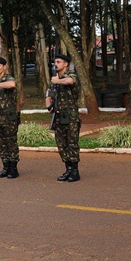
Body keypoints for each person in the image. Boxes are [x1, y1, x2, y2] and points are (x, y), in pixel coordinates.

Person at [45, 54, 81, 182]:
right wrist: (49, 106)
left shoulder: (71, 76)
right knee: (61, 144)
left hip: (70, 116)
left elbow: (70, 82)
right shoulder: (54, 80)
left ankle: (75, 171)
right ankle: (68, 170)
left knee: (72, 143)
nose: (56, 64)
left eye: (59, 62)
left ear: (65, 64)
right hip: (58, 116)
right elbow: (48, 94)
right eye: (55, 62)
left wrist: (57, 81)